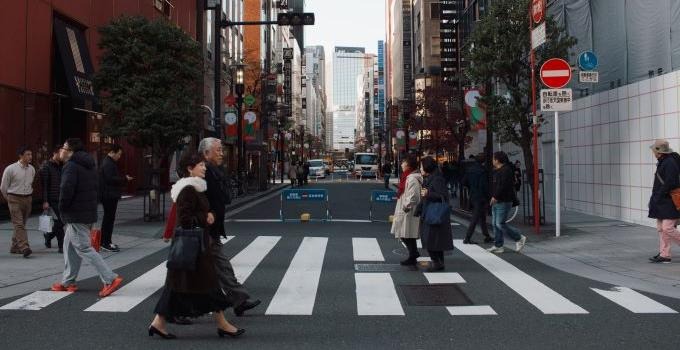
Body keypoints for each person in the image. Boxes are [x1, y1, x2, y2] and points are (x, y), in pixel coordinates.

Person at [149, 152, 244, 340]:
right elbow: (184, 220)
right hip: (193, 247)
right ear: (189, 169)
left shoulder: (195, 188)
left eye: (203, 164)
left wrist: (206, 215)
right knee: (207, 284)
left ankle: (158, 323)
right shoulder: (188, 190)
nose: (204, 167)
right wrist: (205, 217)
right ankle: (223, 325)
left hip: (193, 246)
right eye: (200, 165)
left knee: (180, 287)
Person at [51, 138, 123, 296]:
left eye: (63, 147)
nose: (61, 150)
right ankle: (68, 281)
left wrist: (61, 210)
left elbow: (66, 190)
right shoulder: (89, 165)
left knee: (84, 248)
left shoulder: (71, 166)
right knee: (69, 245)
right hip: (86, 212)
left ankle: (110, 278)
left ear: (70, 151)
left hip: (76, 214)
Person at [199, 138, 261, 317]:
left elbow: (224, 197)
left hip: (212, 228)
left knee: (218, 266)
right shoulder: (201, 172)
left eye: (221, 150)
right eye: (218, 150)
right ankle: (173, 310)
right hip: (203, 230)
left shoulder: (215, 171)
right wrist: (205, 215)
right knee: (189, 272)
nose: (221, 153)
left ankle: (238, 300)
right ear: (206, 153)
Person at [418, 156, 454, 272]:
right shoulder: (432, 177)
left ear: (427, 167)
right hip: (430, 213)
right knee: (434, 240)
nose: (420, 169)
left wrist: (428, 193)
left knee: (430, 239)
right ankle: (439, 263)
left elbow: (442, 196)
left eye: (422, 166)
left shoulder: (436, 179)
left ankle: (437, 263)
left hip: (433, 213)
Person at [487, 151, 527, 254]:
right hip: (496, 200)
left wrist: (495, 196)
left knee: (500, 223)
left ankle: (519, 238)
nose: (492, 160)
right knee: (495, 224)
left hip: (504, 200)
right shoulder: (497, 170)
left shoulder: (506, 170)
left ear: (497, 160)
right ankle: (498, 245)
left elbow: (503, 186)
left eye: (493, 158)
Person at [647, 140, 680, 263]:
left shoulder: (669, 162)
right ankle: (665, 254)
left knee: (667, 228)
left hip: (668, 200)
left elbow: (671, 182)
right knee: (661, 228)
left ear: (659, 152)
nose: (653, 153)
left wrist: (660, 195)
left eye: (654, 150)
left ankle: (665, 253)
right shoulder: (663, 161)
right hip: (662, 201)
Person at [1, 146, 36, 258]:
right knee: (19, 224)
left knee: (21, 224)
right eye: (27, 154)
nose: (30, 157)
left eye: (31, 154)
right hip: (14, 198)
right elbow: (3, 187)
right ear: (21, 156)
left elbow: (31, 184)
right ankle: (24, 247)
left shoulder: (32, 169)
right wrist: (9, 199)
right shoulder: (11, 169)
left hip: (27, 199)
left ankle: (15, 246)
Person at [99, 144, 133, 252]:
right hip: (109, 195)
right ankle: (105, 242)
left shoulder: (109, 162)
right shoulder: (108, 163)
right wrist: (124, 179)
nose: (119, 157)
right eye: (118, 154)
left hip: (109, 194)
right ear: (112, 152)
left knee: (109, 218)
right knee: (108, 218)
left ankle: (106, 241)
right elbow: (110, 179)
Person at [391, 156, 423, 265]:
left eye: (403, 162)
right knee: (405, 232)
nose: (401, 165)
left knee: (405, 232)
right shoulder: (407, 177)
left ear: (408, 165)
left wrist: (405, 207)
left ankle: (413, 254)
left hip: (408, 210)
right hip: (406, 208)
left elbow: (414, 196)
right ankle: (413, 254)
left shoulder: (412, 178)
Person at [462, 153, 494, 244]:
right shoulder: (483, 171)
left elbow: (463, 182)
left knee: (481, 217)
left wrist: (471, 187)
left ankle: (487, 236)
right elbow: (484, 186)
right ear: (483, 161)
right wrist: (489, 196)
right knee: (475, 218)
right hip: (481, 197)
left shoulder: (469, 170)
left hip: (473, 195)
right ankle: (467, 238)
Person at [40, 145, 65, 253]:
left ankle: (49, 236)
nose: (62, 155)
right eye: (60, 153)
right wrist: (45, 201)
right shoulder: (46, 166)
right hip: (52, 198)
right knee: (59, 221)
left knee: (62, 221)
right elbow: (44, 186)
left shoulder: (63, 166)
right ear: (54, 153)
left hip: (62, 198)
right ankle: (61, 246)